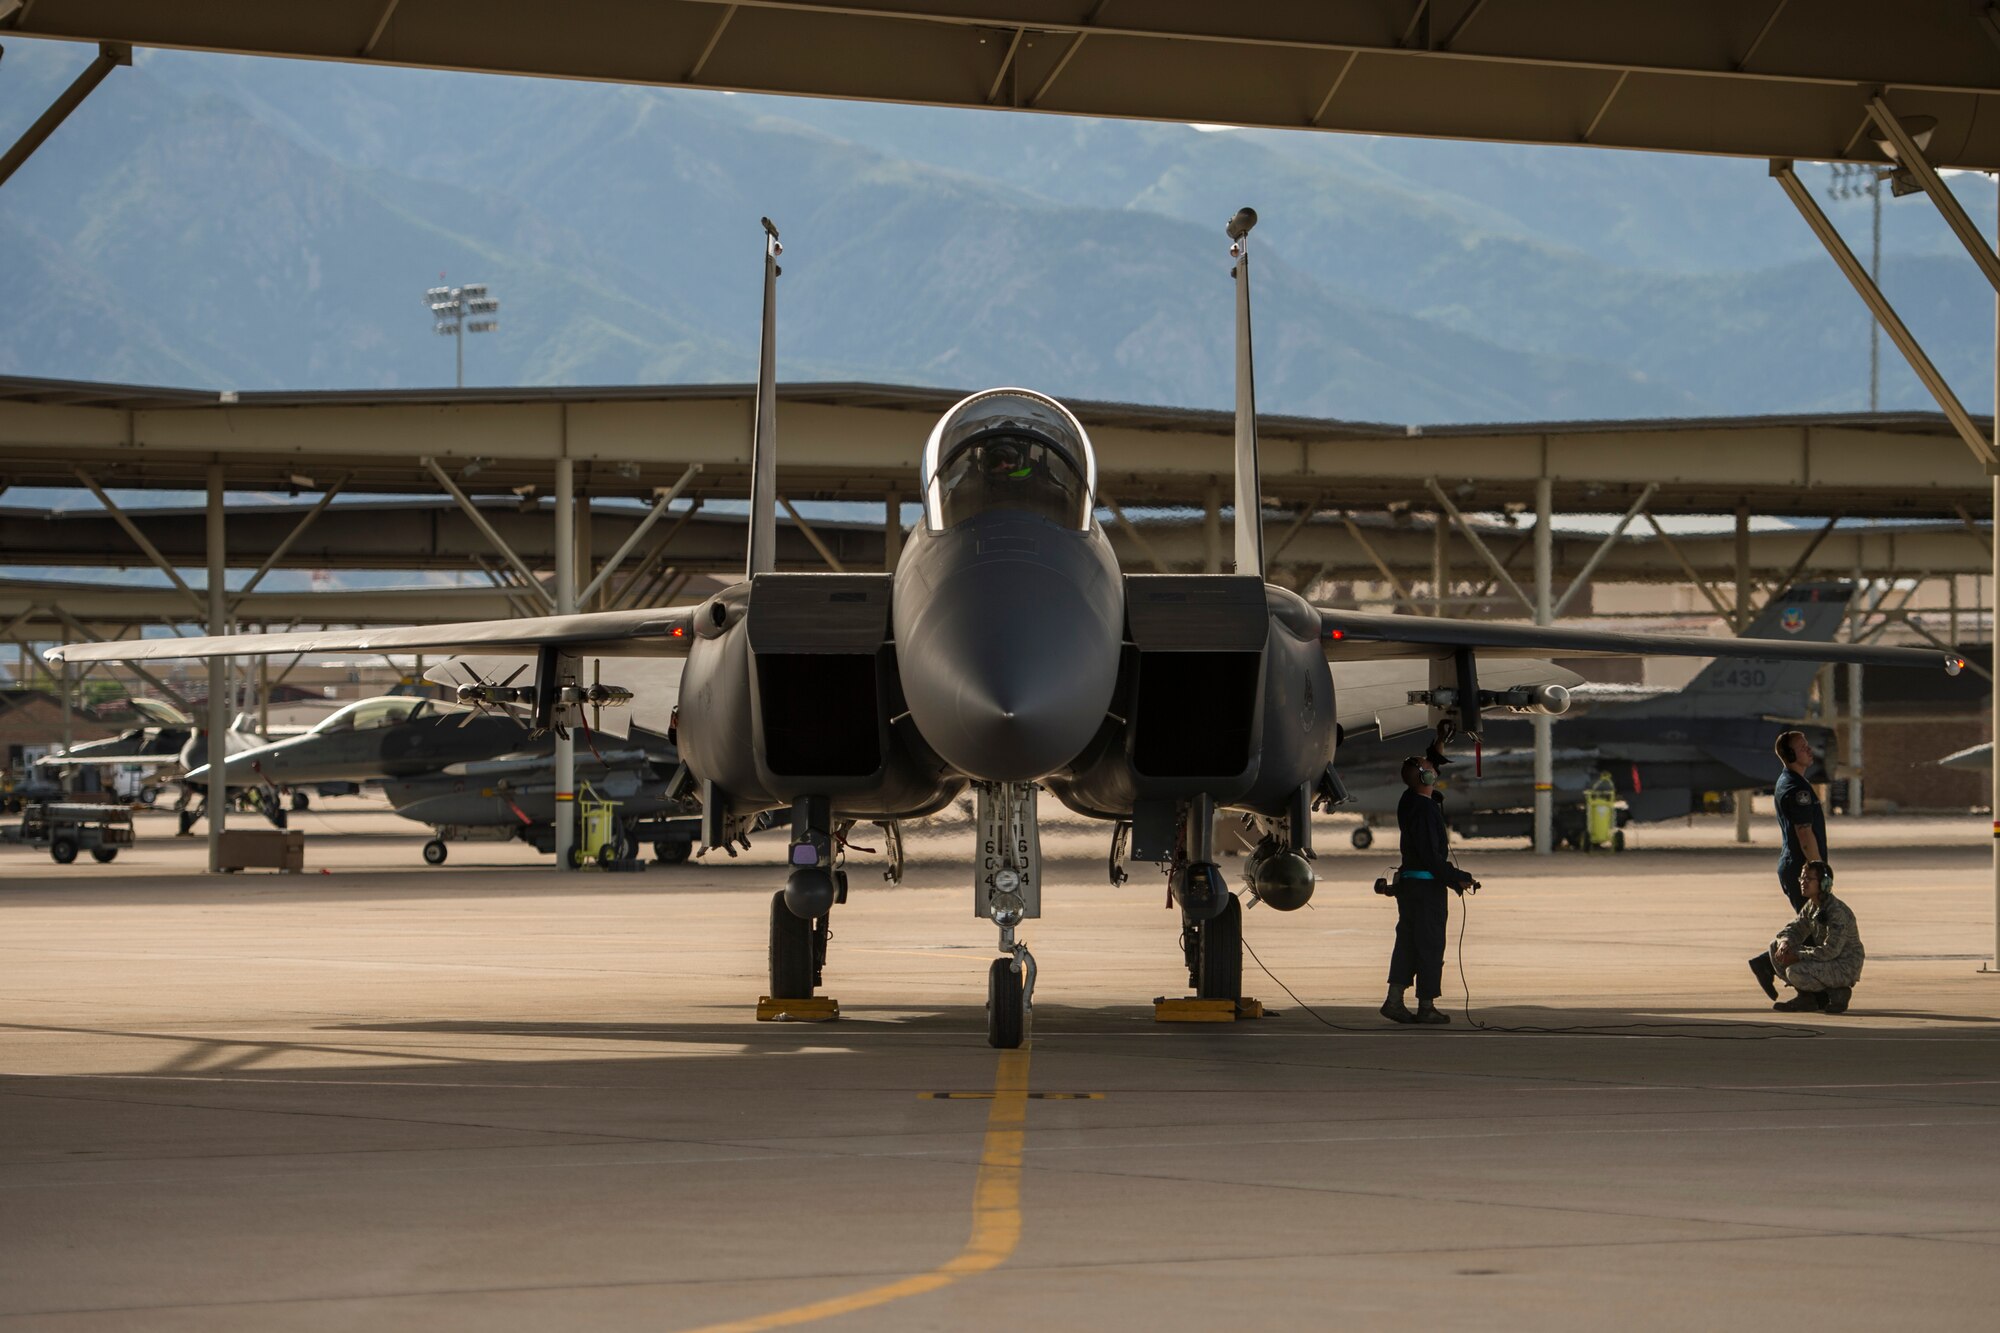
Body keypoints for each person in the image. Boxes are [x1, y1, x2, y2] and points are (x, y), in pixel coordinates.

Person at [1382, 728, 1478, 1025]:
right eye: (1428, 769)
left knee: (1408, 943)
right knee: (1430, 946)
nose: (1434, 770)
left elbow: (1430, 763)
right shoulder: (1423, 810)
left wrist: (1440, 740)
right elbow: (1431, 858)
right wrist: (1457, 877)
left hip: (1411, 887)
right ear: (1424, 778)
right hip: (1426, 890)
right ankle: (1426, 1006)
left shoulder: (1409, 800)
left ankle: (1394, 1001)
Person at [1748, 859, 1863, 1013]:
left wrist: (1797, 956)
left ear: (1824, 883)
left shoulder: (1836, 912)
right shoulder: (1812, 906)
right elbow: (1795, 928)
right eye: (1802, 878)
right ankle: (1805, 998)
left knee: (1795, 971)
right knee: (1775, 947)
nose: (1803, 882)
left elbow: (1830, 951)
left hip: (1844, 965)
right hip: (1828, 960)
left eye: (1809, 879)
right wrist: (1785, 943)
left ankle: (1838, 991)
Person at [1772, 729, 1826, 912]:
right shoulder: (1796, 789)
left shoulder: (1789, 781)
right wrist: (1819, 872)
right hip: (1803, 870)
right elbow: (1804, 833)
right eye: (1803, 748)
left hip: (1797, 866)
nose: (1809, 750)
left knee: (1812, 929)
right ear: (1790, 754)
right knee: (1813, 930)